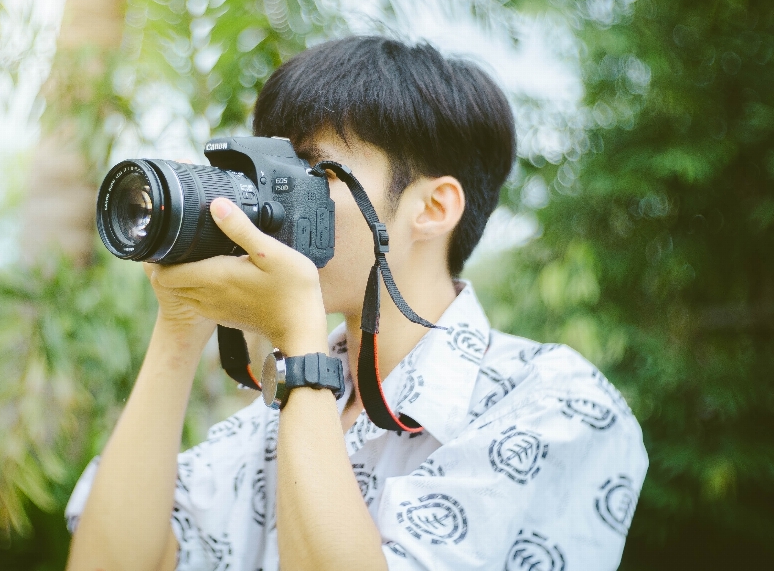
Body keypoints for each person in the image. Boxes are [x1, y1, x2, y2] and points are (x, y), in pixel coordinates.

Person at [64, 36, 648, 571]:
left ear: (433, 208)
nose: (269, 199)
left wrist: (300, 346)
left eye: (315, 170)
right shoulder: (277, 419)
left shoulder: (555, 405)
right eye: (272, 166)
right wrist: (181, 322)